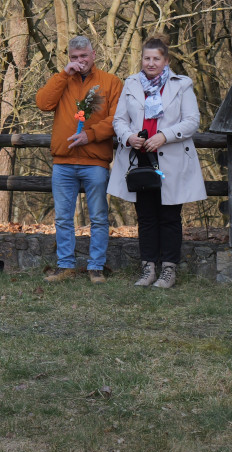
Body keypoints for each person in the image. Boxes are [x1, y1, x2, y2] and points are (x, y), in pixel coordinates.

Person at [108, 36, 205, 289]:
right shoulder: (130, 84)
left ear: (166, 61)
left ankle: (169, 270)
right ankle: (148, 267)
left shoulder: (181, 85)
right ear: (142, 59)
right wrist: (129, 136)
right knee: (146, 215)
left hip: (170, 159)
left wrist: (164, 136)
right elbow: (119, 120)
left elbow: (192, 120)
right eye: (147, 58)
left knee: (170, 215)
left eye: (156, 59)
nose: (151, 63)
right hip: (140, 158)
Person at [36, 36, 123, 284]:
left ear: (93, 54)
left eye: (84, 56)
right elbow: (43, 102)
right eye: (74, 57)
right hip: (63, 162)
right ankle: (65, 266)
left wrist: (90, 135)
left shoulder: (111, 82)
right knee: (63, 217)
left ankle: (96, 267)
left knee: (98, 216)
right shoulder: (62, 80)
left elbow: (117, 119)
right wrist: (63, 74)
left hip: (95, 161)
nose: (80, 61)